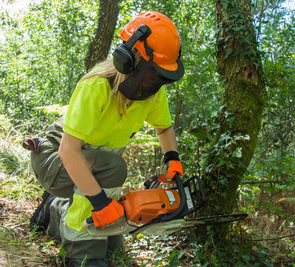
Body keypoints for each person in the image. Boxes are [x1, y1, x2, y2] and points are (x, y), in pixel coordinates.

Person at [27, 11, 184, 267]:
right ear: (128, 60)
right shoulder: (97, 87)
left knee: (112, 242)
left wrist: (172, 159)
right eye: (151, 73)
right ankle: (79, 252)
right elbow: (69, 151)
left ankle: (53, 210)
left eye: (161, 76)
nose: (155, 82)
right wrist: (100, 202)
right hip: (55, 159)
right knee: (112, 170)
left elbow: (164, 129)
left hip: (91, 163)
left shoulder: (153, 94)